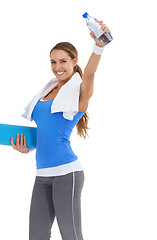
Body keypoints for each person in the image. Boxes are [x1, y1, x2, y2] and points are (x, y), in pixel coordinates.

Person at [10, 21, 111, 240]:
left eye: (63, 61)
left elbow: (91, 73)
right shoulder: (47, 92)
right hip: (42, 174)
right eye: (53, 62)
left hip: (67, 174)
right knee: (36, 236)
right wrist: (25, 148)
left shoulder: (77, 93)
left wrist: (98, 47)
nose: (58, 67)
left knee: (71, 235)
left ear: (75, 62)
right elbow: (47, 134)